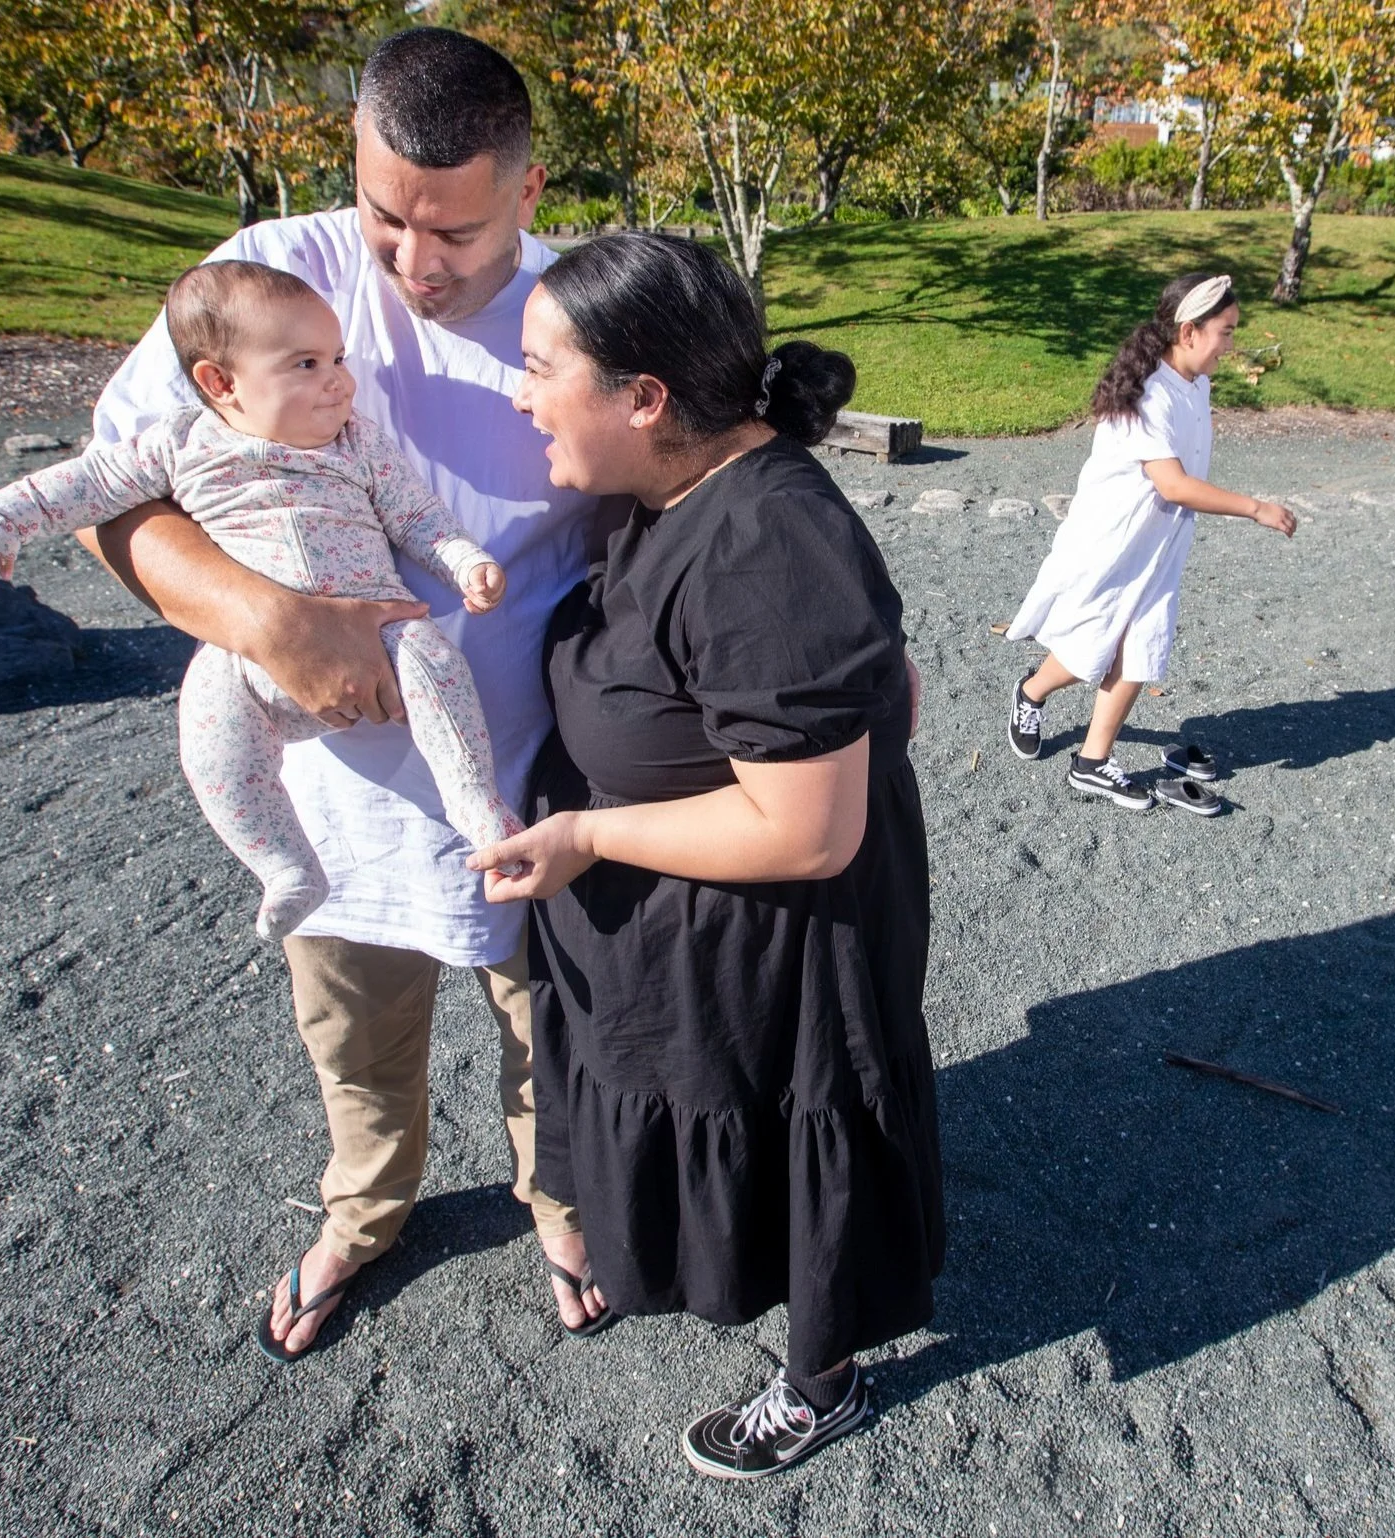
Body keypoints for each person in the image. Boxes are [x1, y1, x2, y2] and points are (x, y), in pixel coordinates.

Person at [70, 28, 614, 1361]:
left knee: (551, 1024)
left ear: (531, 195)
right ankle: (365, 1213)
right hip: (333, 785)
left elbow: (702, 485)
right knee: (354, 1031)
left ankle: (560, 1202)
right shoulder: (271, 283)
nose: (416, 267)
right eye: (386, 217)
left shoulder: (582, 312)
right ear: (350, 170)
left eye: (460, 234)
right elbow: (106, 500)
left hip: (530, 772)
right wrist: (272, 621)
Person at [471, 232, 942, 1479]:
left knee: (795, 1141)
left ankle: (820, 1378)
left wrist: (584, 831)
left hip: (778, 944)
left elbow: (809, 826)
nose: (520, 395)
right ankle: (677, 1264)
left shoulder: (762, 541)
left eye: (537, 367)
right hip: (682, 932)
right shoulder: (675, 491)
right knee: (709, 1121)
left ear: (645, 397)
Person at [0, 260, 521, 943]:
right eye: (305, 364)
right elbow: (84, 485)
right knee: (209, 740)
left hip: (382, 635)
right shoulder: (181, 443)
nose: (339, 379)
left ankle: (476, 803)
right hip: (247, 660)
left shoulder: (357, 442)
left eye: (337, 357)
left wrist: (466, 561)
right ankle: (285, 865)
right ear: (220, 383)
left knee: (434, 657)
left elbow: (417, 516)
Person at [1003, 272, 1297, 812]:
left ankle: (1092, 762)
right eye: (1225, 333)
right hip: (1112, 542)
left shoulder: (1195, 383)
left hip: (1159, 540)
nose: (1231, 345)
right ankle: (1032, 692)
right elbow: (1173, 482)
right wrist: (1256, 508)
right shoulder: (1147, 395)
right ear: (1189, 332)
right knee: (1089, 647)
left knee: (1141, 646)